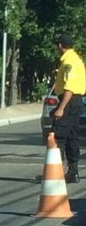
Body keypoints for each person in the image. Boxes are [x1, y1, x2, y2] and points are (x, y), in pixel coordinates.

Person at [51, 33, 85, 183]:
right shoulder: (75, 59)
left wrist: (61, 108)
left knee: (58, 135)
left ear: (60, 45)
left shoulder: (69, 61)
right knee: (72, 136)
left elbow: (69, 88)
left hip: (69, 101)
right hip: (75, 102)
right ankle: (73, 172)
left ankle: (55, 172)